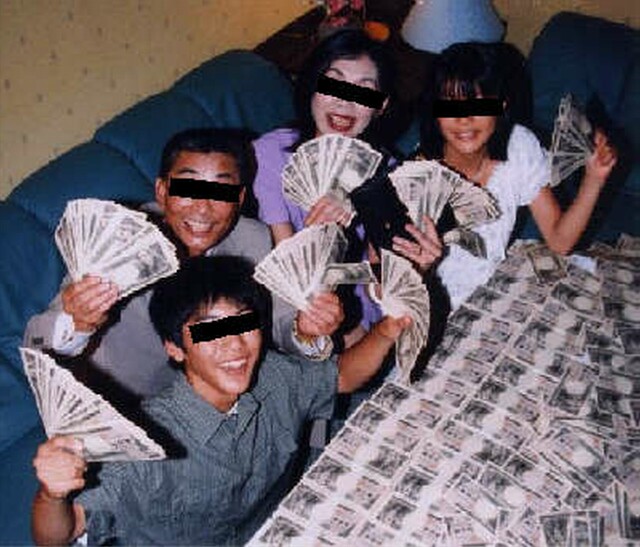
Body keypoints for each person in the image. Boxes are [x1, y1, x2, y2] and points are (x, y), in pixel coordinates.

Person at [31, 256, 412, 546]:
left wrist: (387, 328)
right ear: (175, 349)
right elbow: (62, 533)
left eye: (243, 324)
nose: (234, 345)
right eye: (210, 332)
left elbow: (341, 376)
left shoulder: (274, 374)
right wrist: (52, 494)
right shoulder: (145, 444)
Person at [24, 128, 343, 403]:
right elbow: (38, 343)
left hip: (219, 395)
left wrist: (306, 330)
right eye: (188, 189)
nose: (203, 209)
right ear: (162, 191)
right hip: (127, 404)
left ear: (240, 197)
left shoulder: (253, 240)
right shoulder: (120, 241)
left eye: (220, 191)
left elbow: (283, 324)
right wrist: (77, 321)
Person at [253, 28, 442, 347]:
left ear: (381, 106)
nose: (345, 103)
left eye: (365, 92)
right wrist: (320, 236)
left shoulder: (389, 173)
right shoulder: (270, 154)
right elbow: (287, 272)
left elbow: (380, 279)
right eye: (333, 84)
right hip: (295, 310)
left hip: (363, 310)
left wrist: (416, 269)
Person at [419, 42, 617, 310]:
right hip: (431, 303)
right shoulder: (418, 175)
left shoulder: (519, 146)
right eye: (450, 106)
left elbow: (559, 241)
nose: (464, 119)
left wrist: (594, 179)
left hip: (488, 292)